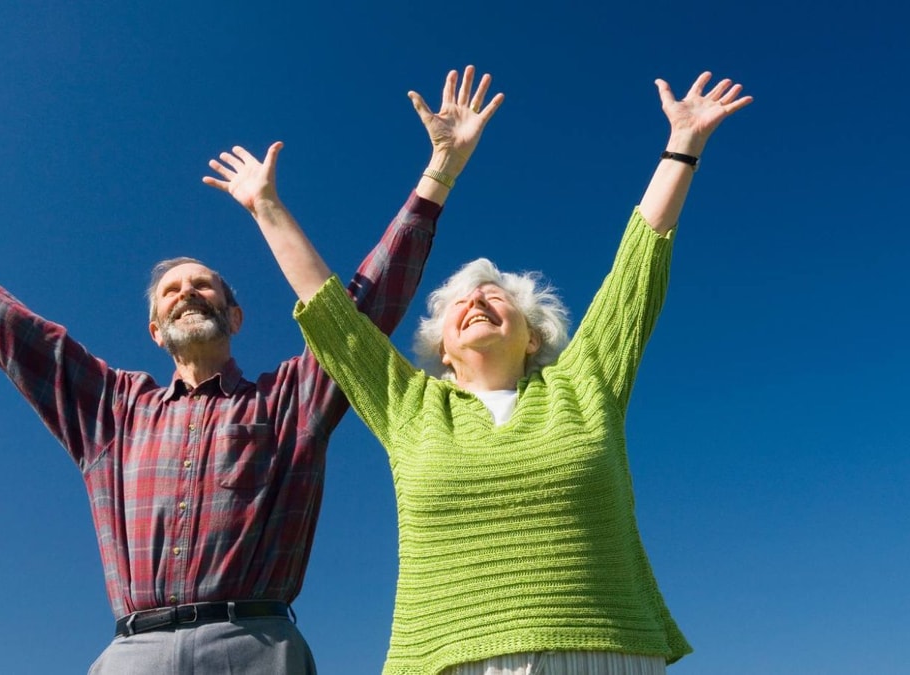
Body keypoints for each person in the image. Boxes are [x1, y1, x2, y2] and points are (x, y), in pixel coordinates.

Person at [0, 66, 503, 674]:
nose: (188, 292)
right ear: (154, 328)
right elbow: (17, 330)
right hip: (133, 652)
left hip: (254, 643)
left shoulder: (291, 399)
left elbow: (363, 306)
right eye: (172, 290)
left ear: (236, 317)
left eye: (205, 285)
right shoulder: (111, 411)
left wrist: (436, 176)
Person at [236, 71, 752, 674]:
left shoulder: (585, 382)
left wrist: (682, 144)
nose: (477, 301)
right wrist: (266, 206)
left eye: (496, 296)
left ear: (533, 336)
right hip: (449, 659)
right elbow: (330, 315)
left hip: (605, 651)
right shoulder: (409, 405)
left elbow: (637, 267)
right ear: (443, 347)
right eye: (460, 301)